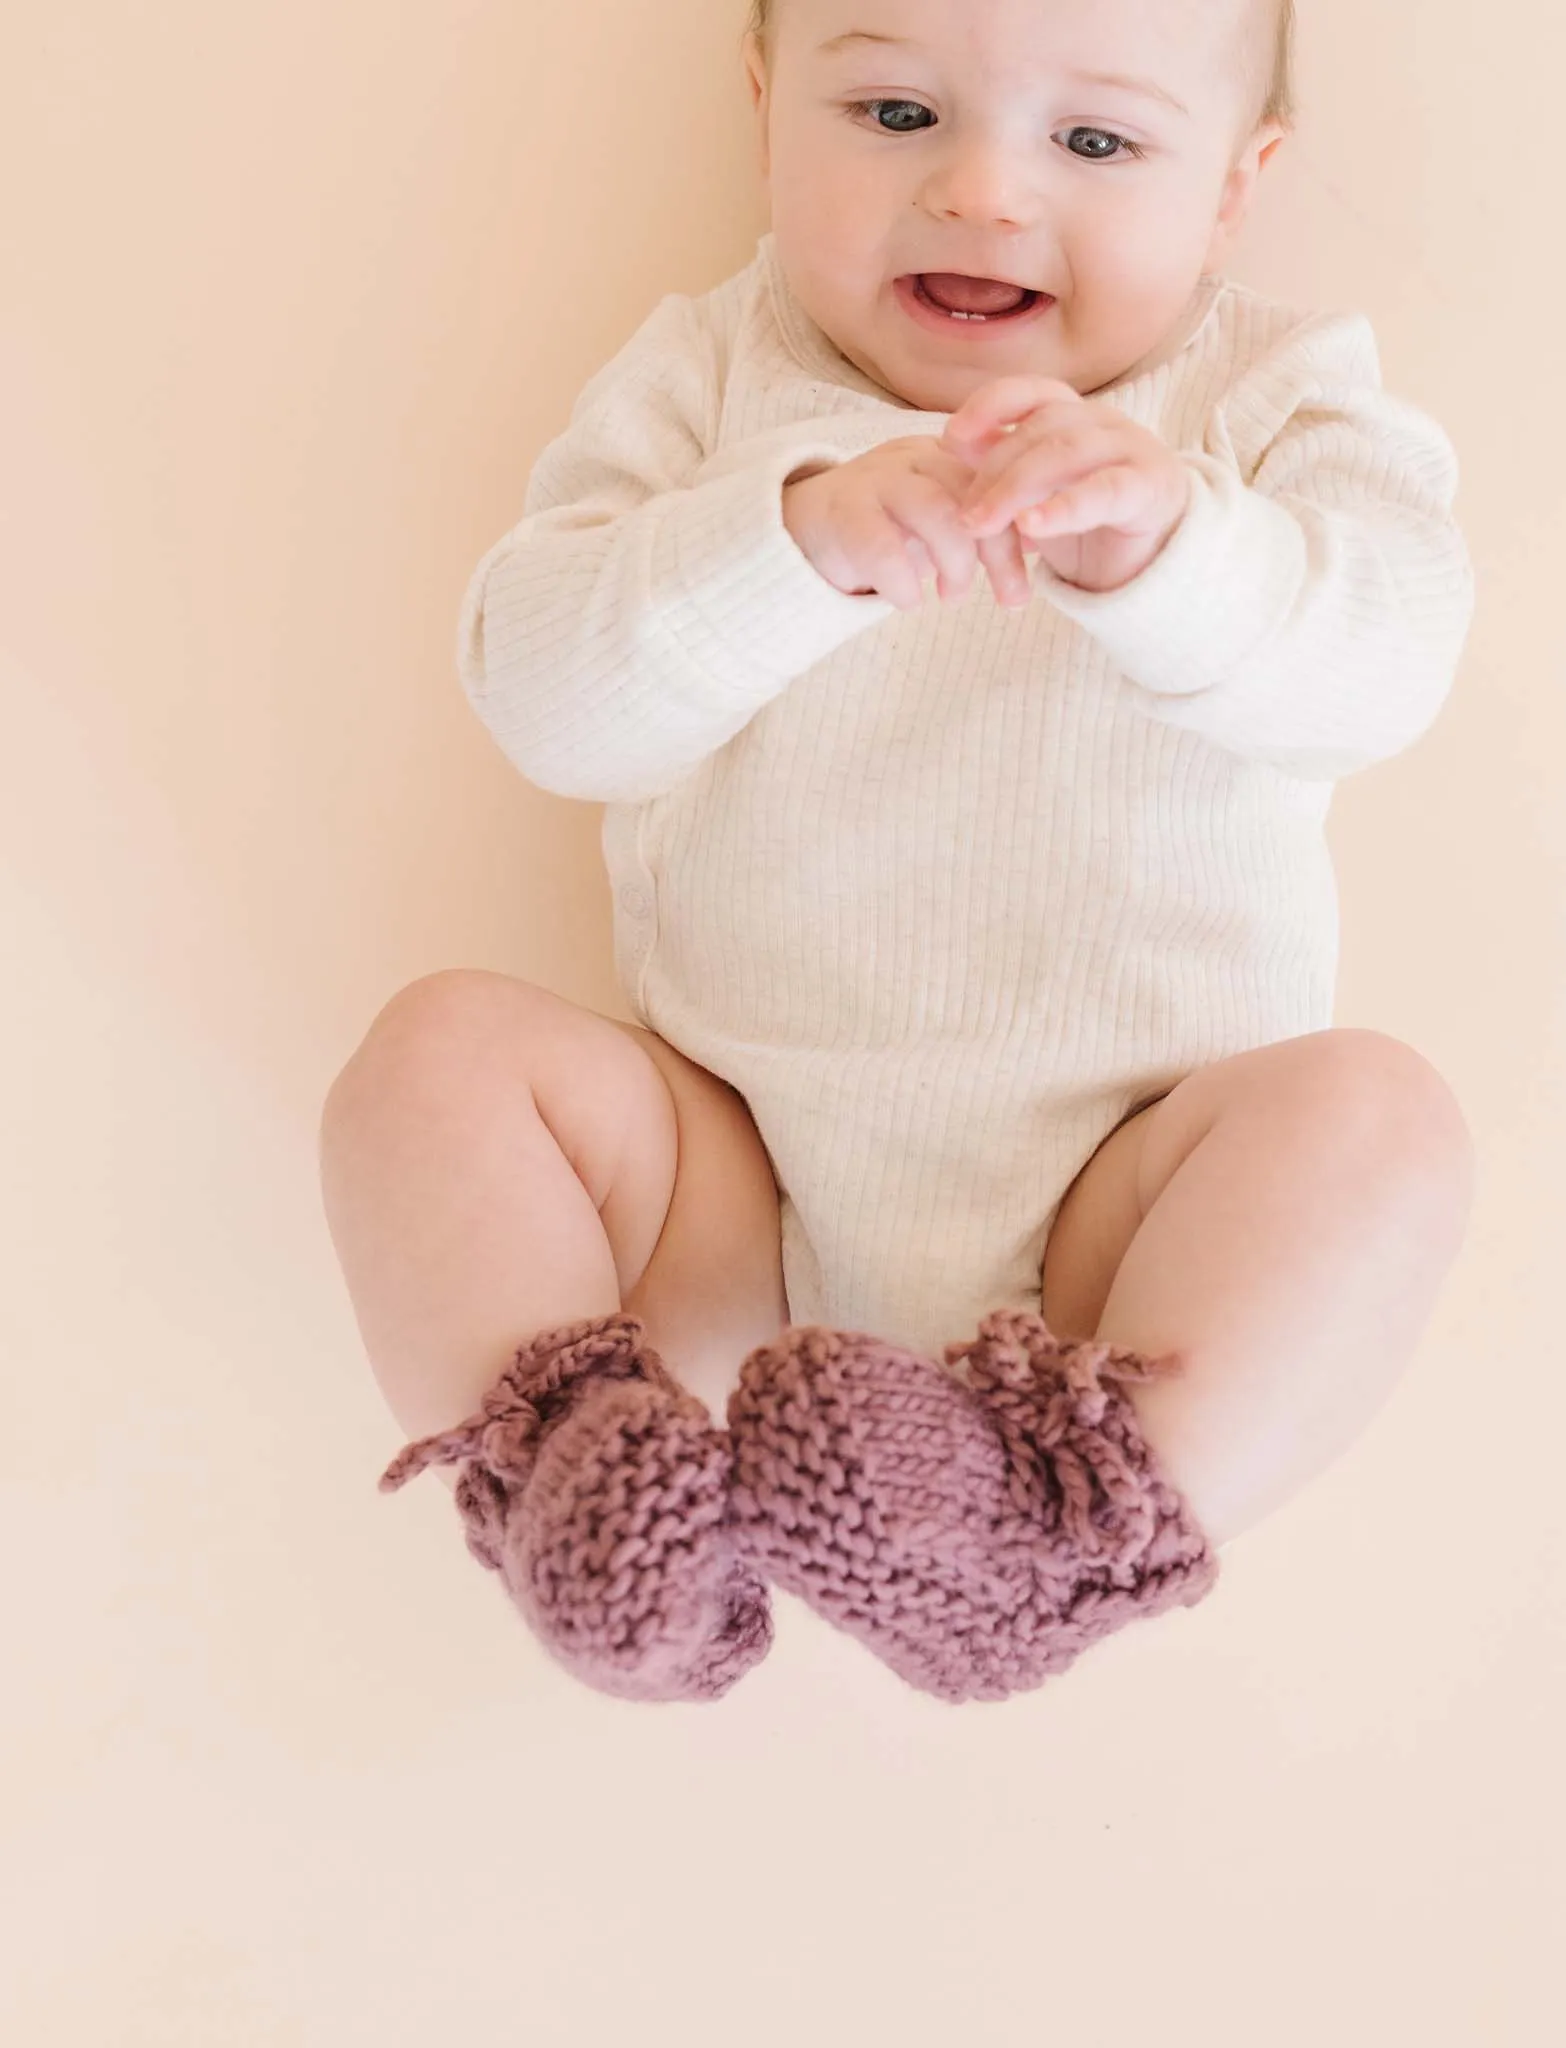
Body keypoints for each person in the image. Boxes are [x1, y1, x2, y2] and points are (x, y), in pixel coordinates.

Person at [319, 0, 1479, 1708]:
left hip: (1125, 1212)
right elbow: (548, 695)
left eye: (1095, 143)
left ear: (1237, 186)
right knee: (433, 1060)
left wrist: (1173, 552)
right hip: (730, 1190)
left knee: (1378, 1124)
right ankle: (588, 1486)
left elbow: (1384, 667)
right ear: (763, 99)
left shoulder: (1273, 399)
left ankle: (1049, 1546)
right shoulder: (713, 380)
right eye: (891, 109)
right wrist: (789, 545)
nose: (985, 193)